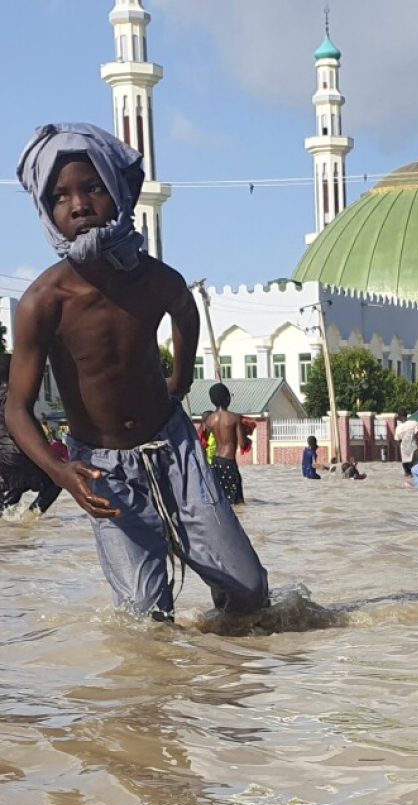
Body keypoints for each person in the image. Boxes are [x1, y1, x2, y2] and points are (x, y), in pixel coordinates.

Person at [8, 122, 268, 620]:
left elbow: (184, 309)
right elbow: (18, 410)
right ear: (46, 212)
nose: (79, 204)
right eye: (61, 196)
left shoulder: (152, 279)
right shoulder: (44, 302)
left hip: (174, 448)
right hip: (101, 468)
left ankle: (230, 679)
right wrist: (62, 472)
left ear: (121, 191)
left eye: (94, 188)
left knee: (249, 591)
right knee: (145, 620)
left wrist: (180, 380)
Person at [0, 352, 62, 515]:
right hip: (16, 449)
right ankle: (31, 517)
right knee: (56, 481)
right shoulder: (15, 397)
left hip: (4, 455)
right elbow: (25, 424)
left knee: (16, 485)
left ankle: (9, 530)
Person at [205, 382, 246, 505]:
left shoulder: (209, 420)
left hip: (215, 463)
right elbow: (243, 444)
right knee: (237, 502)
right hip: (229, 462)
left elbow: (206, 441)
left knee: (222, 501)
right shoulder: (234, 418)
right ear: (228, 398)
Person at [394, 409, 418, 477]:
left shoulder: (398, 428)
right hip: (415, 455)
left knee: (407, 476)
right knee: (417, 475)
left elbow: (398, 442)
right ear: (406, 415)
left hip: (404, 457)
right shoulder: (414, 423)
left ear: (399, 417)